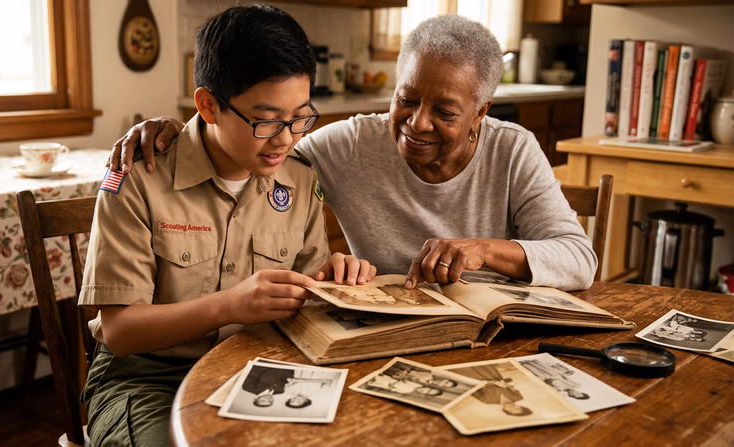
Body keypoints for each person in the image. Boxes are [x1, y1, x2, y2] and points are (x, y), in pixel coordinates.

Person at [109, 14, 597, 292]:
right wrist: (179, 129)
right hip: (387, 335)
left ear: (481, 112)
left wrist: (483, 249)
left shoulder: (513, 150)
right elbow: (259, 146)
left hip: (498, 335)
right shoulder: (351, 143)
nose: (417, 123)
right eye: (406, 99)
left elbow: (579, 259)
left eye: (445, 112)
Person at [79, 5, 376, 445]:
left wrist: (337, 277)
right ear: (209, 105)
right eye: (267, 120)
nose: (286, 137)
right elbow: (121, 332)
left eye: (300, 116)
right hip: (148, 379)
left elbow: (310, 295)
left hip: (262, 366)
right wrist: (229, 305)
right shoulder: (138, 175)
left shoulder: (298, 177)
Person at [460, 364, 533, 417]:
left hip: (474, 377)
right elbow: (510, 386)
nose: (512, 407)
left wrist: (490, 383)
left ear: (505, 410)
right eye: (517, 408)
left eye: (510, 410)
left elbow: (471, 389)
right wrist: (504, 384)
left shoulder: (488, 401)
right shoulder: (518, 397)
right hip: (491, 374)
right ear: (520, 406)